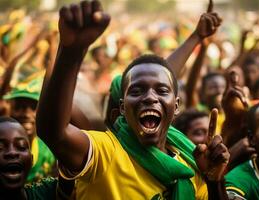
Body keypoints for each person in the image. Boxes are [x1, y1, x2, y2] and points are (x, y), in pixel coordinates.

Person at [36, 1, 230, 199]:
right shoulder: (106, 153)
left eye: (161, 91)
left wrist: (215, 181)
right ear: (121, 107)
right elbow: (54, 133)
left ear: (177, 105)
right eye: (136, 91)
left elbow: (162, 76)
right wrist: (71, 53)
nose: (149, 97)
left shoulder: (192, 163)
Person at [3, 75, 55, 183]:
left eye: (34, 107)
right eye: (19, 107)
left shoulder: (50, 151)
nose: (26, 114)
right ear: (9, 110)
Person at [0, 116, 57, 200]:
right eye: (0, 147)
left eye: (21, 146)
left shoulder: (49, 192)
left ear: (32, 159)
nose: (12, 153)